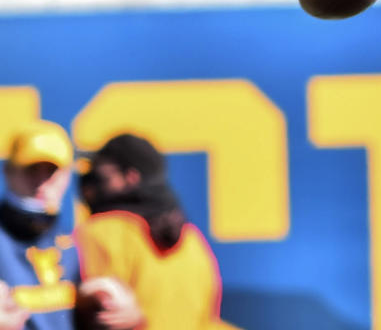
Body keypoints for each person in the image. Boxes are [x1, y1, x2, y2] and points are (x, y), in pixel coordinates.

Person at [73, 134, 233, 330]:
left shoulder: (97, 233)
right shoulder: (192, 239)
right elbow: (208, 318)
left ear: (131, 177)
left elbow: (87, 315)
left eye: (101, 174)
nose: (90, 182)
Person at [0, 121, 140, 330]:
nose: (41, 181)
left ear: (66, 176)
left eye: (51, 171)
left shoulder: (73, 241)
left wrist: (128, 316)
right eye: (31, 170)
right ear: (8, 172)